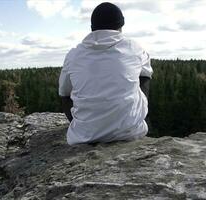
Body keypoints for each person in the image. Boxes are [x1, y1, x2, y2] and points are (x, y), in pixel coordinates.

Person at [58, 2, 153, 145]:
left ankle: (85, 126)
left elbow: (64, 93)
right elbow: (146, 74)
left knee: (65, 92)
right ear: (121, 25)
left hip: (84, 137)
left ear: (92, 28)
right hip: (130, 133)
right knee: (143, 76)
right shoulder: (134, 48)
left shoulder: (74, 55)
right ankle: (132, 120)